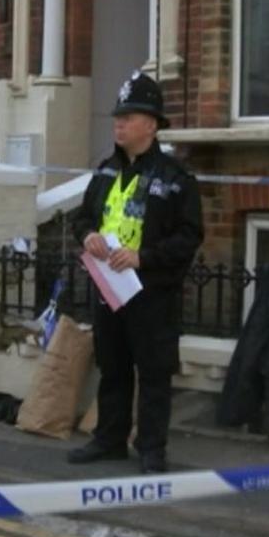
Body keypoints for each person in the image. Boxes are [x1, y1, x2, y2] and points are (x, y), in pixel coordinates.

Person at [67, 71, 204, 474]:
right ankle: (109, 439)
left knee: (154, 373)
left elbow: (189, 236)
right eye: (118, 117)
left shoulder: (175, 179)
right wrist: (88, 234)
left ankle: (150, 449)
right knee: (113, 368)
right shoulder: (106, 171)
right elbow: (83, 217)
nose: (119, 124)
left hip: (152, 293)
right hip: (110, 289)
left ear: (151, 124)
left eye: (128, 117)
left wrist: (144, 257)